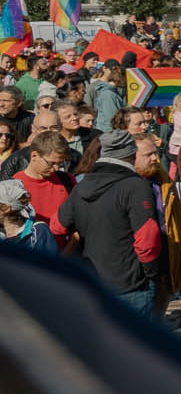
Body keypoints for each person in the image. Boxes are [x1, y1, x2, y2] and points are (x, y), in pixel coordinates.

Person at [56, 127, 163, 313]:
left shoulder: (82, 183)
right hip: (131, 286)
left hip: (92, 282)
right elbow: (147, 239)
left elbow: (57, 226)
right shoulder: (136, 185)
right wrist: (151, 272)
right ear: (131, 154)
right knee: (135, 342)